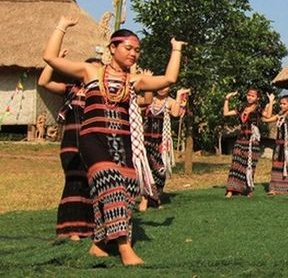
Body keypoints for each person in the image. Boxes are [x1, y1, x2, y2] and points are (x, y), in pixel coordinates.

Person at [43, 15, 185, 266]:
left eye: (137, 50)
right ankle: (124, 247)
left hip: (123, 142)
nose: (133, 54)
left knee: (127, 188)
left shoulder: (134, 80)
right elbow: (50, 59)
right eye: (128, 48)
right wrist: (61, 26)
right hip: (93, 139)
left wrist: (176, 49)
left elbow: (168, 80)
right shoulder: (91, 71)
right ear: (112, 48)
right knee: (111, 184)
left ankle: (99, 244)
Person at [38, 48, 99, 241]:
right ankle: (71, 230)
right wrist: (54, 62)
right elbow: (44, 82)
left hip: (94, 144)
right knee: (74, 181)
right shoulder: (70, 90)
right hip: (71, 144)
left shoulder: (102, 95)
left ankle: (90, 227)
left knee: (92, 183)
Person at [138, 86, 189, 211]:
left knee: (160, 172)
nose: (161, 89)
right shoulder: (149, 99)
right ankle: (145, 199)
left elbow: (176, 114)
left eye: (165, 87)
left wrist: (178, 96)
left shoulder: (170, 102)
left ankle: (154, 198)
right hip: (145, 141)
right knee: (147, 171)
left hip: (162, 143)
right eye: (161, 87)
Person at [223, 88, 274, 198]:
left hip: (252, 140)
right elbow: (226, 113)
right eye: (248, 95)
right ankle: (231, 189)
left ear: (257, 98)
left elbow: (268, 116)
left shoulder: (258, 109)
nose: (250, 97)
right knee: (236, 163)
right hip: (241, 138)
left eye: (253, 96)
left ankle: (248, 189)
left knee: (249, 164)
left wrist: (270, 102)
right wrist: (227, 99)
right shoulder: (241, 107)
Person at [264, 95, 288, 195]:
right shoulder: (279, 115)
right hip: (279, 144)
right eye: (281, 103)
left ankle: (285, 188)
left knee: (287, 164)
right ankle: (274, 188)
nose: (282, 106)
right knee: (276, 164)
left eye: (284, 104)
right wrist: (269, 103)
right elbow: (267, 119)